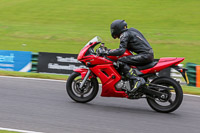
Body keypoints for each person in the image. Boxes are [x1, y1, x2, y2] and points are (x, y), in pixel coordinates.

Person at [101, 20, 154, 92]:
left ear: (118, 28)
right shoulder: (131, 31)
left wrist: (107, 52)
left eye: (113, 29)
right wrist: (110, 50)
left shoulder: (124, 34)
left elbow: (121, 50)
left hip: (145, 55)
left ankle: (137, 79)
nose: (113, 31)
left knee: (121, 61)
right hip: (147, 54)